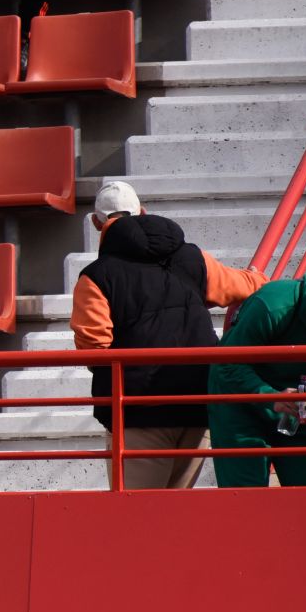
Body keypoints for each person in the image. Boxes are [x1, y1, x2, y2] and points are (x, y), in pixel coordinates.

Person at [71, 180, 270, 491]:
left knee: (134, 518)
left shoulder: (96, 276)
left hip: (136, 411)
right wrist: (258, 276)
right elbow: (244, 286)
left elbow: (94, 346)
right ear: (144, 212)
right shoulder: (192, 258)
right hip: (197, 400)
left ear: (97, 223)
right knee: (176, 512)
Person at [207, 261, 306, 488]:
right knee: (245, 504)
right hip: (241, 408)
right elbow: (226, 363)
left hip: (301, 409)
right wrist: (270, 396)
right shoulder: (274, 304)